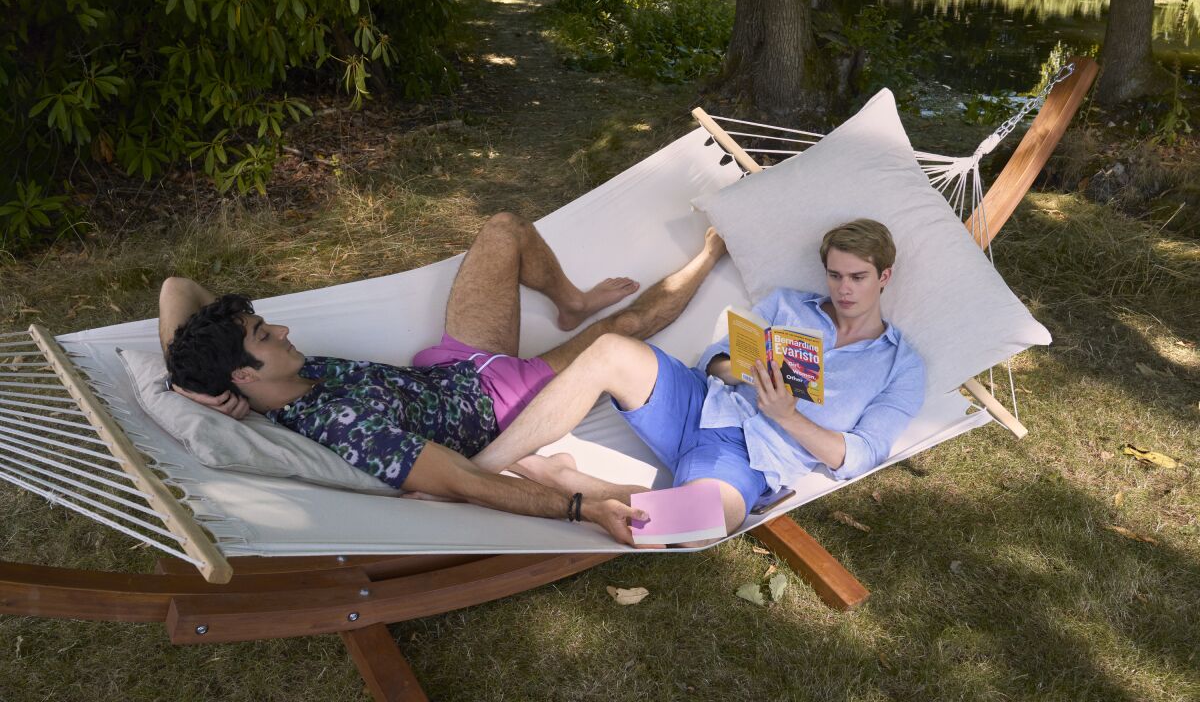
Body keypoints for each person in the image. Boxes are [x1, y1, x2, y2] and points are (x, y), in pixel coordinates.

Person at [160, 212, 727, 545]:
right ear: (244, 371)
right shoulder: (343, 427)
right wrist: (580, 509)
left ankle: (571, 301)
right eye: (264, 335)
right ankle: (712, 252)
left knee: (505, 228)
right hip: (501, 401)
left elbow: (176, 289)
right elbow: (462, 480)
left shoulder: (253, 377)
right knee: (624, 329)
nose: (281, 328)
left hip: (454, 362)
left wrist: (198, 387)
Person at [470, 219, 926, 544]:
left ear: (884, 277)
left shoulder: (900, 365)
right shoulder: (789, 305)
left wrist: (787, 417)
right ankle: (478, 469)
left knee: (696, 526)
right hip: (700, 403)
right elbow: (714, 360)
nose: (843, 289)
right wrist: (743, 369)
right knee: (610, 349)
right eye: (834, 275)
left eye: (858, 277)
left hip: (752, 458)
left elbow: (860, 455)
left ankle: (559, 475)